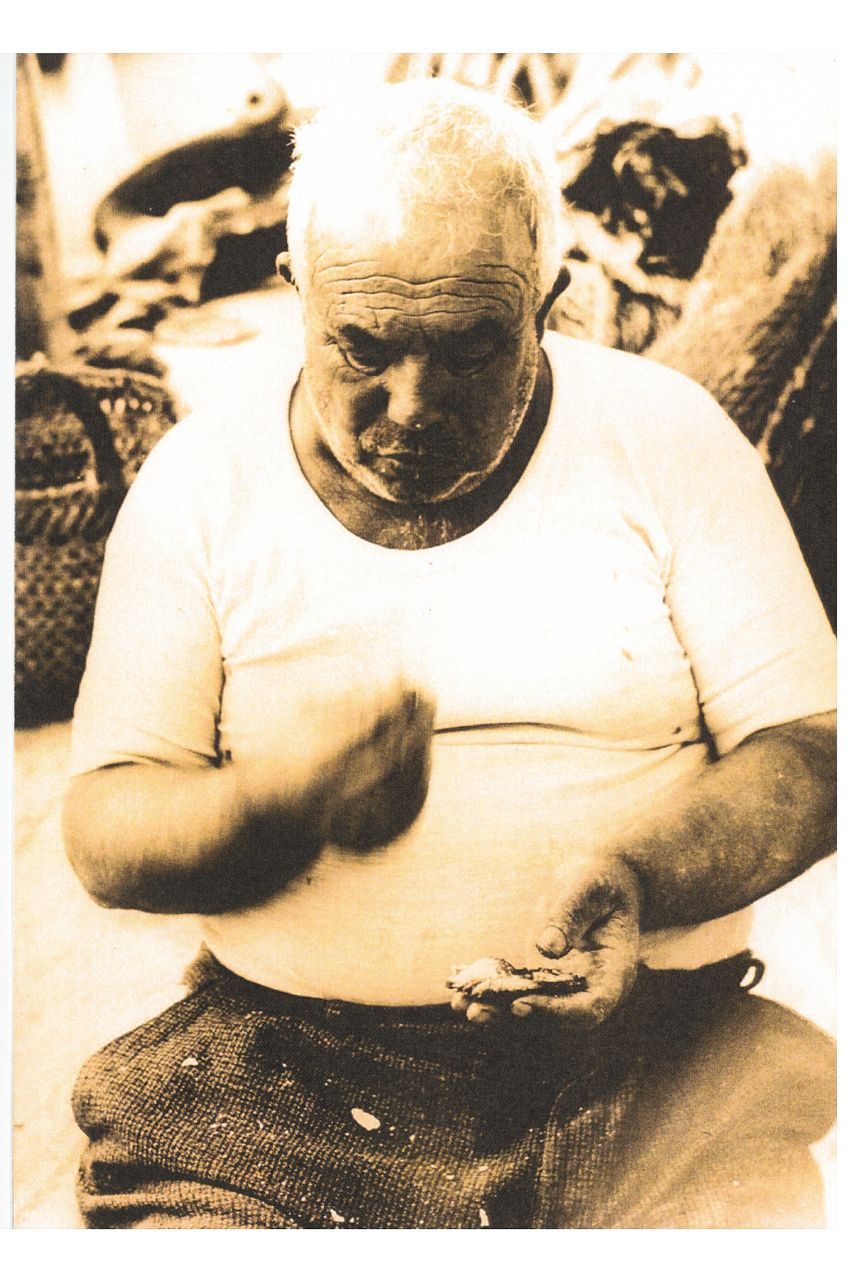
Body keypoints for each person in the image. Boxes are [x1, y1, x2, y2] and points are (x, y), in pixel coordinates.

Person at [63, 78, 836, 1230]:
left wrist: (641, 874)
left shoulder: (667, 437)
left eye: (473, 349)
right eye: (363, 346)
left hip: (651, 1063)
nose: (413, 406)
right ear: (294, 293)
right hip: (281, 1088)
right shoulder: (200, 482)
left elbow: (814, 752)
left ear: (548, 303)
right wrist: (275, 804)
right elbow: (105, 827)